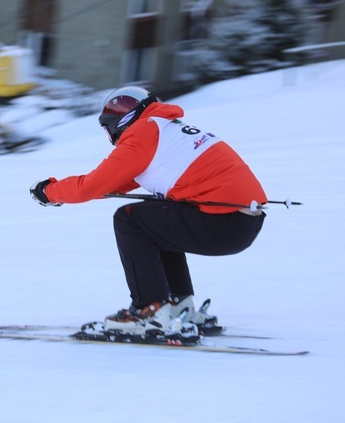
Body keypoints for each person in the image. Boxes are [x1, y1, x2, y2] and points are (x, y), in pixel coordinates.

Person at [29, 86, 267, 340]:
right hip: (241, 222)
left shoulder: (143, 132)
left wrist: (49, 191)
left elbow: (93, 185)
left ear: (122, 120)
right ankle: (178, 307)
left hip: (221, 223)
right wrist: (65, 193)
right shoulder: (166, 128)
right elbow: (112, 184)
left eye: (107, 126)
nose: (110, 134)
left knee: (130, 219)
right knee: (158, 216)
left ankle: (150, 312)